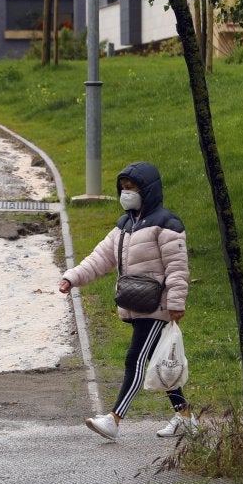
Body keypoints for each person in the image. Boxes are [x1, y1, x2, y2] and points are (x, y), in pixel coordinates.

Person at [57, 161, 196, 441]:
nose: (126, 194)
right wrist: (72, 277)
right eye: (123, 189)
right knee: (161, 363)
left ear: (147, 190)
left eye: (131, 189)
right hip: (136, 304)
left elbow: (178, 269)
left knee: (136, 359)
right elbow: (100, 258)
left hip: (156, 307)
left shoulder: (167, 225)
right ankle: (187, 419)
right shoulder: (124, 226)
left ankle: (114, 419)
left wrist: (176, 303)